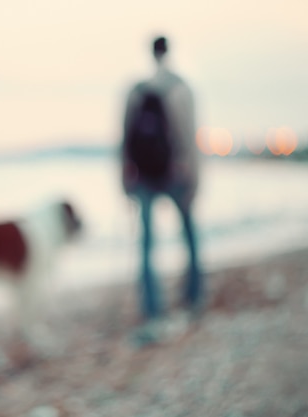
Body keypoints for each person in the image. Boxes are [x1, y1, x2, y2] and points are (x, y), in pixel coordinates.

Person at [121, 35, 202, 321]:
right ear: (169, 51)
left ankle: (151, 306)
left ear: (150, 53)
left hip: (143, 175)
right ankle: (194, 297)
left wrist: (125, 180)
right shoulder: (182, 88)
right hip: (176, 172)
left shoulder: (136, 90)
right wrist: (195, 180)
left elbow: (124, 136)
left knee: (146, 242)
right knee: (189, 234)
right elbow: (191, 138)